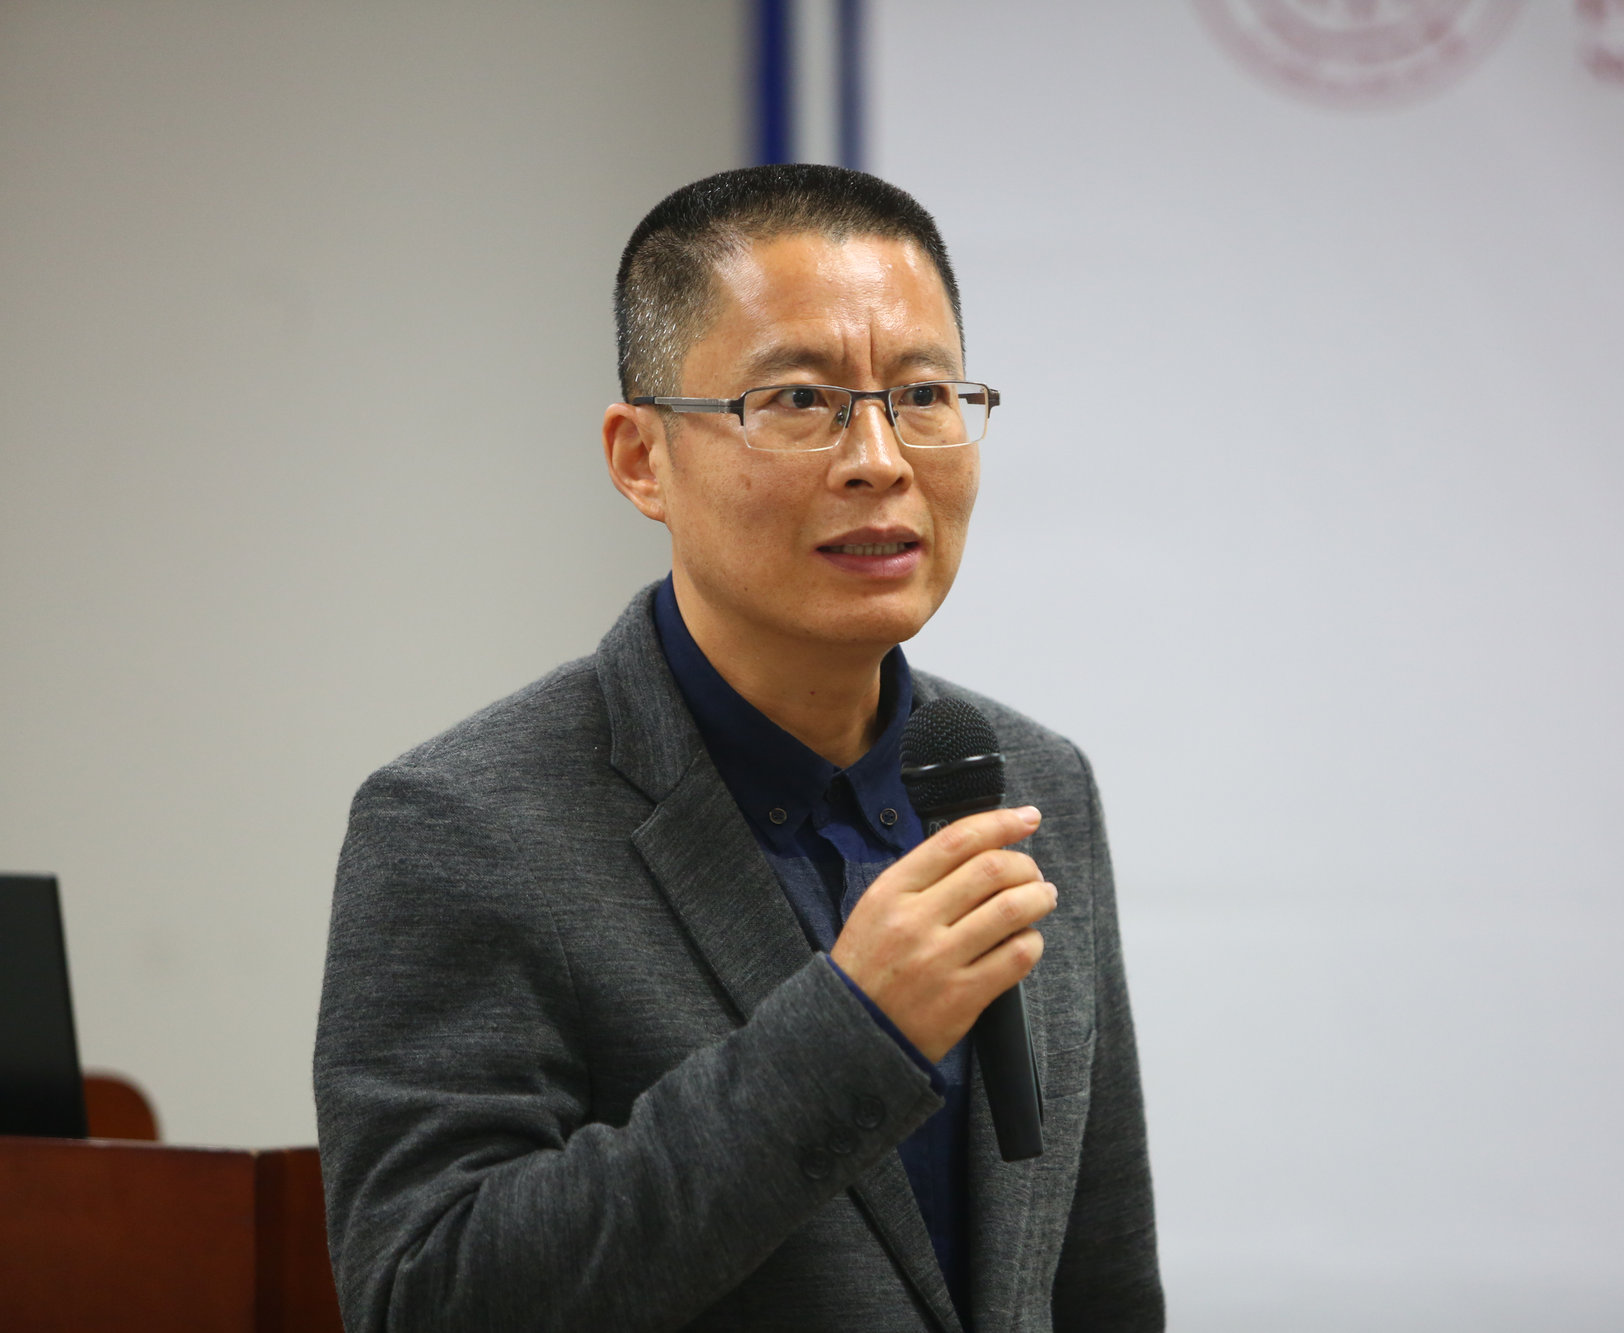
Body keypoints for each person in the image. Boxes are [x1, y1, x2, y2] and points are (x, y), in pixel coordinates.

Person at [313, 165, 1162, 1331]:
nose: (880, 458)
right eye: (800, 399)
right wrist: (851, 1034)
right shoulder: (463, 825)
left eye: (922, 394)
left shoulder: (1026, 780)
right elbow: (427, 1295)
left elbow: (1097, 1282)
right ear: (640, 458)